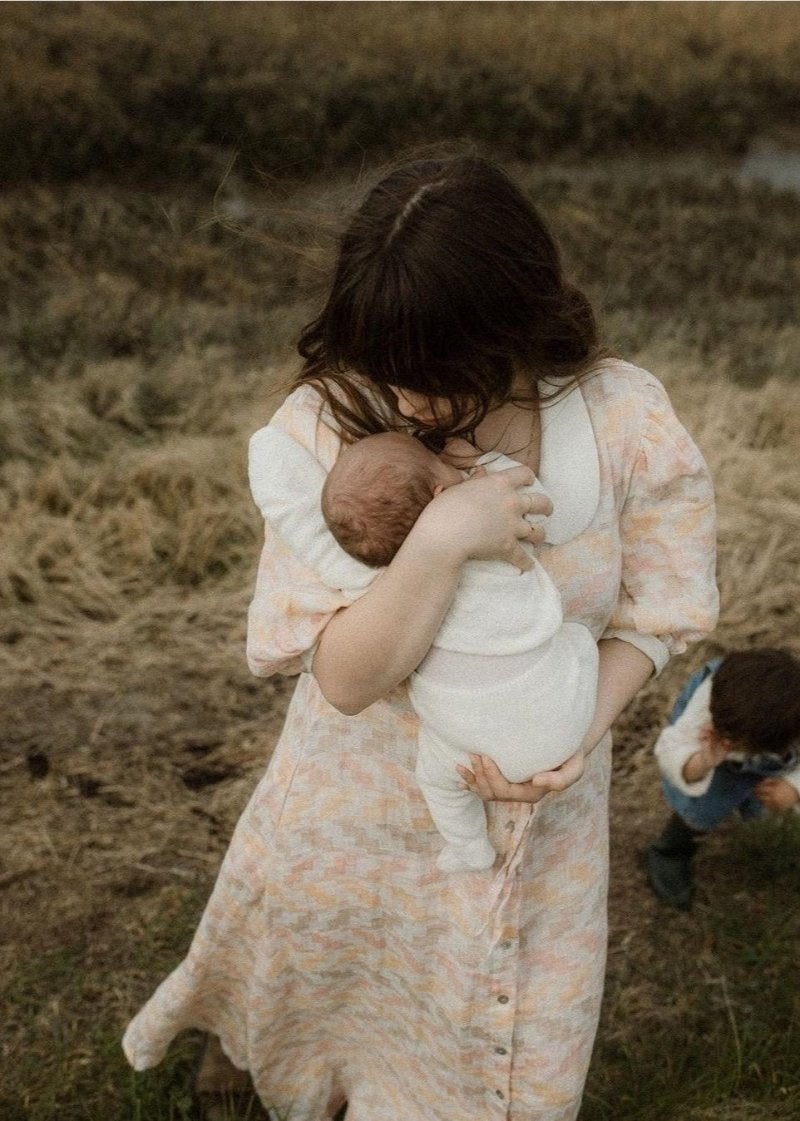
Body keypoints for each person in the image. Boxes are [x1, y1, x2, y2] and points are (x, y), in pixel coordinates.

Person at [123, 154, 719, 1121]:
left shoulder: (624, 419)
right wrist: (441, 541)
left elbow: (658, 613)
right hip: (362, 801)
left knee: (503, 1029)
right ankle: (253, 1051)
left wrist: (572, 736)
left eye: (430, 371)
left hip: (548, 817)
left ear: (507, 327)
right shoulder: (329, 425)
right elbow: (345, 679)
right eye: (382, 362)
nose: (400, 398)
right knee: (328, 976)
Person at [312, 429, 599, 872]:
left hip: (461, 736)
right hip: (556, 731)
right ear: (441, 494)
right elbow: (530, 499)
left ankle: (468, 845)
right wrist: (487, 461)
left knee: (438, 780)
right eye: (440, 462)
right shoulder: (498, 535)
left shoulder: (383, 582)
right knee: (578, 639)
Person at [646, 648, 800, 911]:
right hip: (710, 750)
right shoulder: (713, 702)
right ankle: (670, 850)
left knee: (771, 788)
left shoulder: (789, 715)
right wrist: (705, 760)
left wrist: (794, 787)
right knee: (703, 803)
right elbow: (672, 752)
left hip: (776, 740)